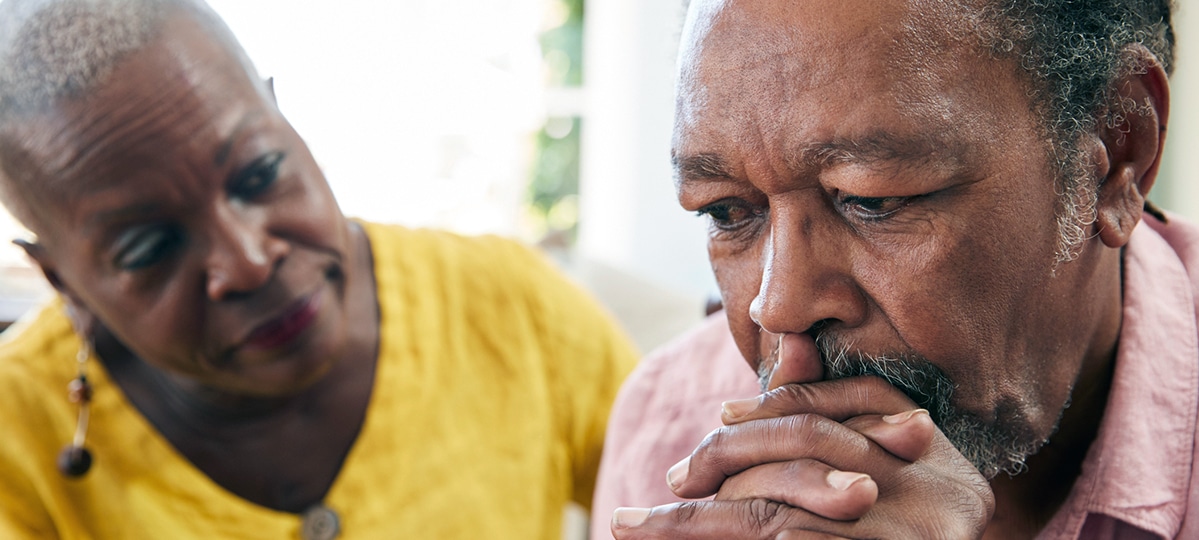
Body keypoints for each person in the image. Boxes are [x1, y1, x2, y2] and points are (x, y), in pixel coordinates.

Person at [0, 0, 637, 538]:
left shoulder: (515, 308)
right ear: (63, 282)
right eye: (149, 248)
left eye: (261, 173)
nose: (248, 263)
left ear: (289, 127)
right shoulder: (15, 438)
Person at [593, 0, 1198, 538]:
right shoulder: (665, 433)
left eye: (874, 200)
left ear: (1119, 152)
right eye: (726, 212)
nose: (778, 307)